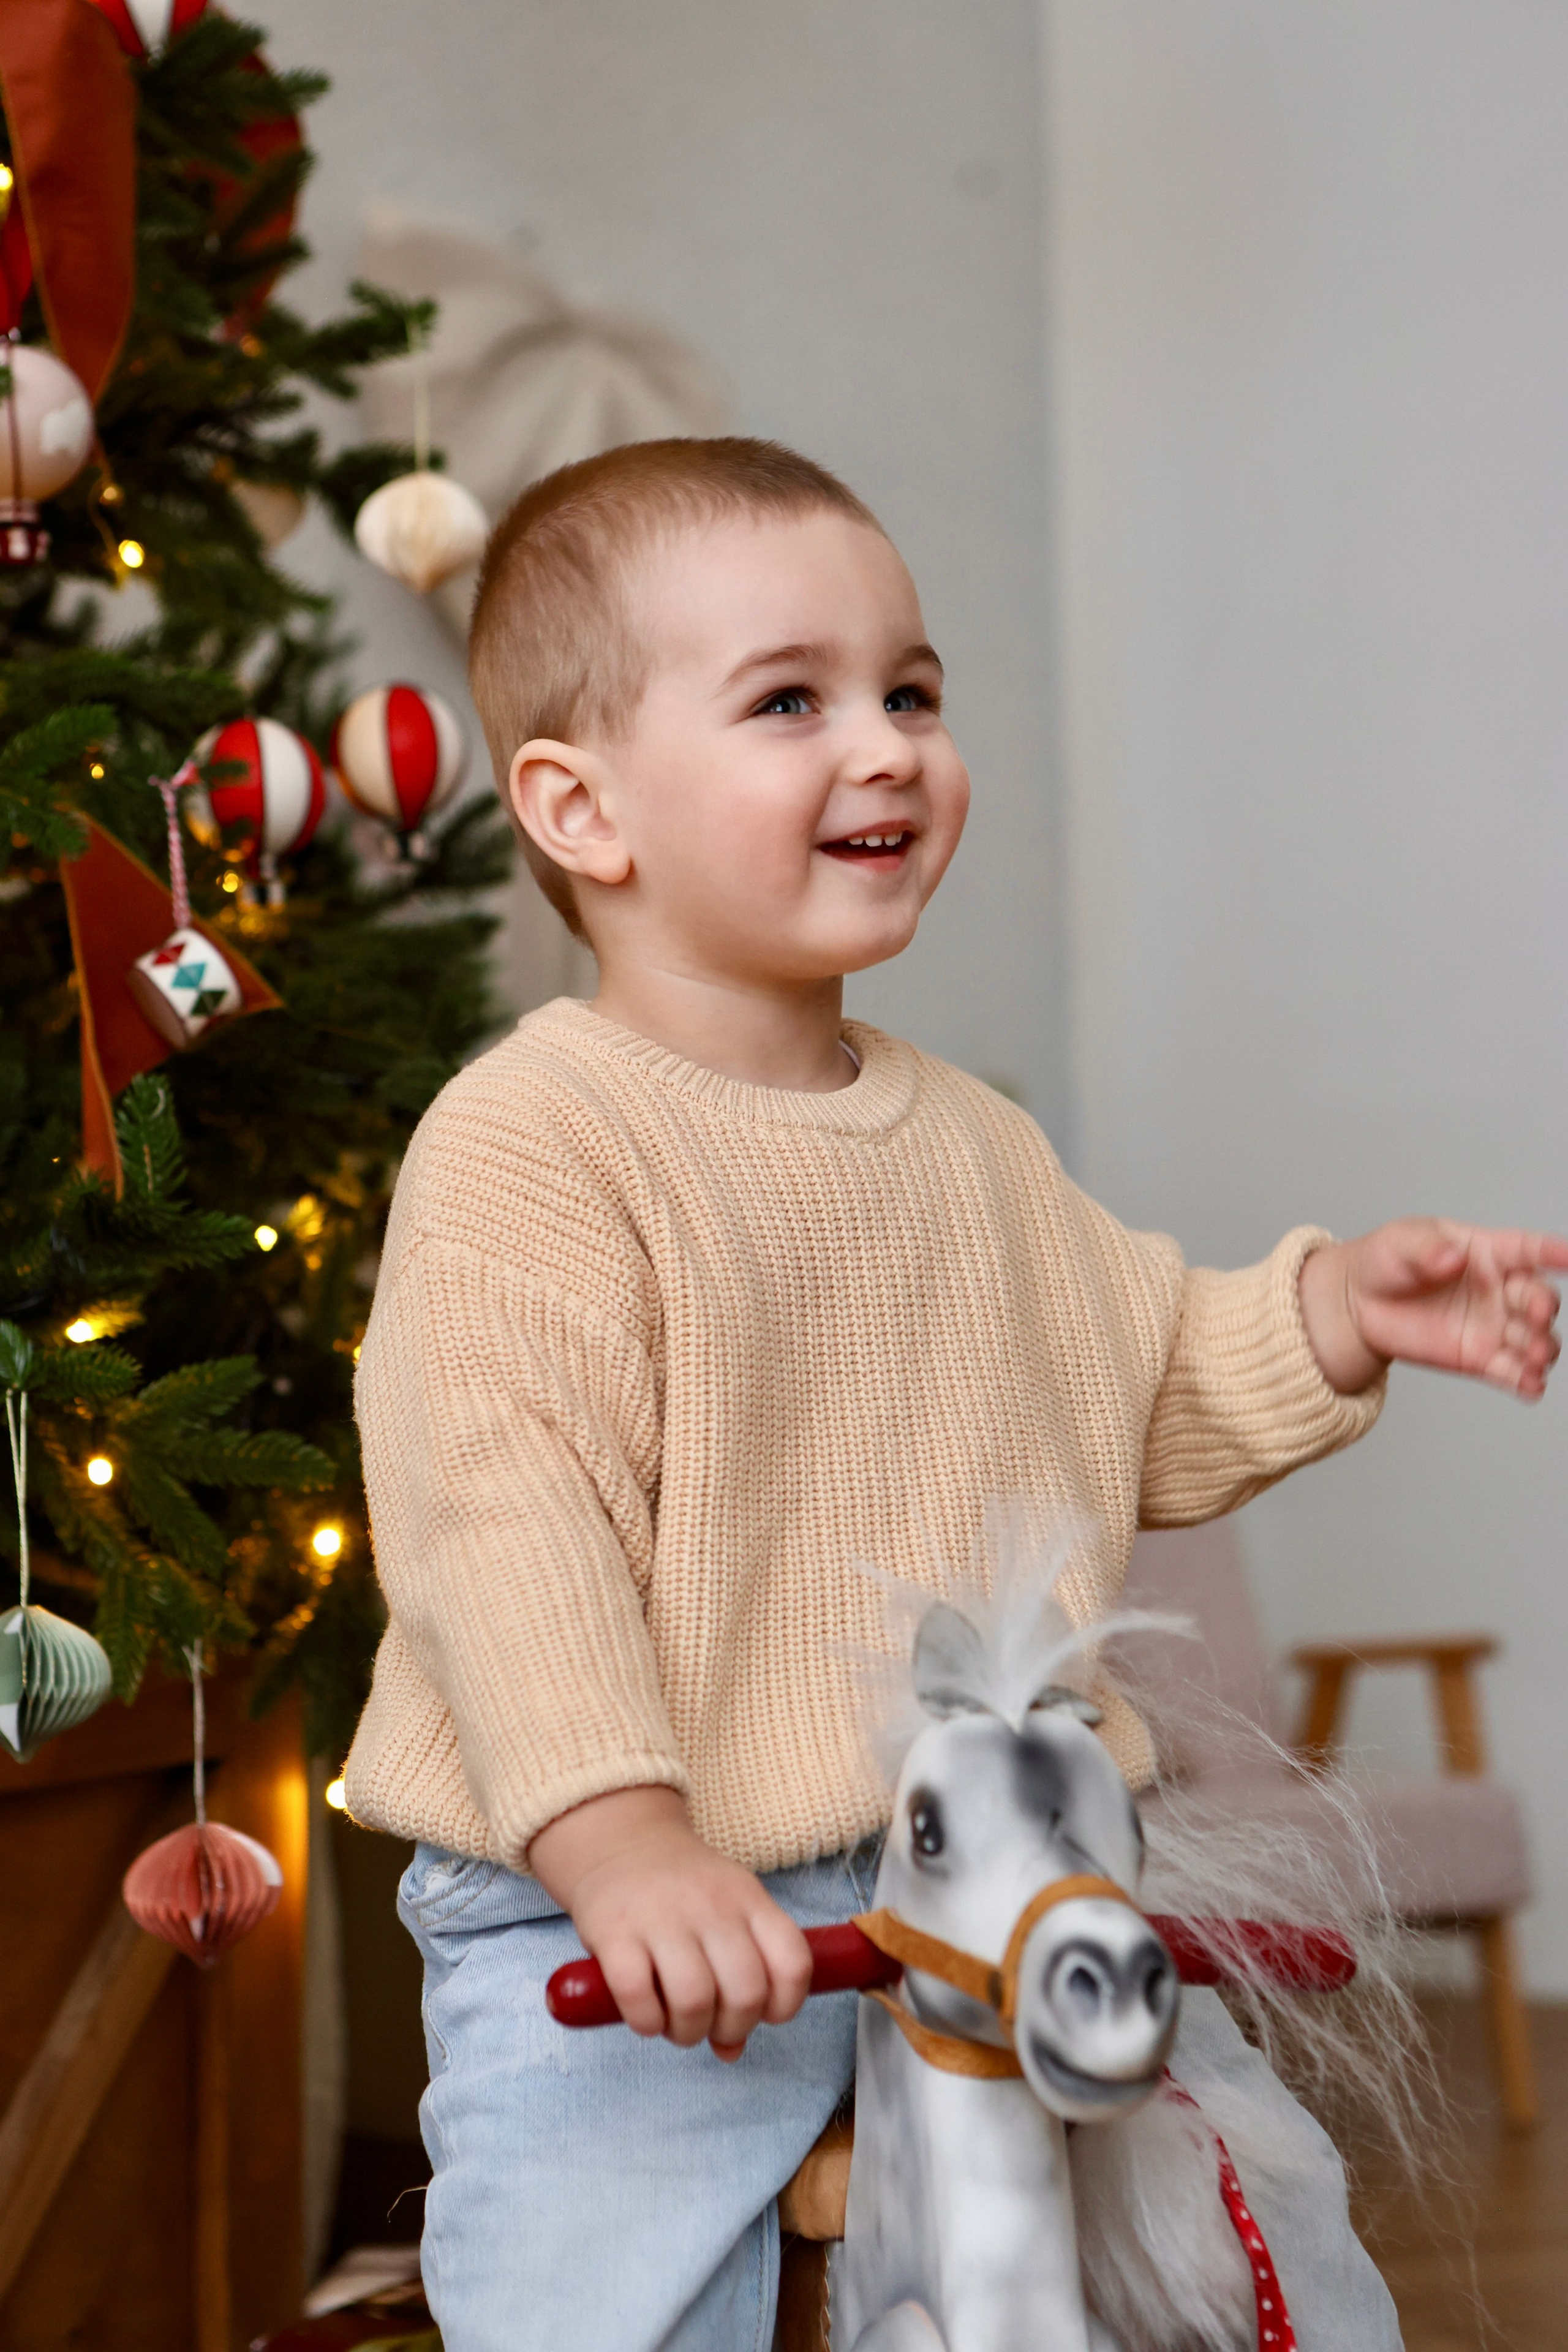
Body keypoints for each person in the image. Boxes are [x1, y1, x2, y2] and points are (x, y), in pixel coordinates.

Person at [342, 437, 1565, 2352]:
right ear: (584, 811)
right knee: (597, 2289)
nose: (891, 744)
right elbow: (506, 1529)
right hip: (633, 1903)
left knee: (1268, 2236)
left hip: (986, 1864)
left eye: (912, 689)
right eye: (792, 702)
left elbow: (1135, 1389)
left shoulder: (972, 1141)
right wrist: (623, 1841)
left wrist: (1332, 1313)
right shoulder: (533, 1143)